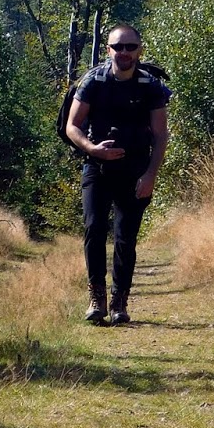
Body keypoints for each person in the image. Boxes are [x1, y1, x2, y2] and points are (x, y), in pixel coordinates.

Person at [63, 24, 171, 325]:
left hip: (136, 169)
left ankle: (119, 301)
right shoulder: (93, 81)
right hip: (96, 168)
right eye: (118, 47)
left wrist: (150, 175)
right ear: (108, 50)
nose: (124, 52)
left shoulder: (150, 85)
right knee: (94, 229)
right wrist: (93, 149)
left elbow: (161, 135)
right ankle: (96, 298)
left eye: (130, 47)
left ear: (140, 49)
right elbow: (73, 125)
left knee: (126, 237)